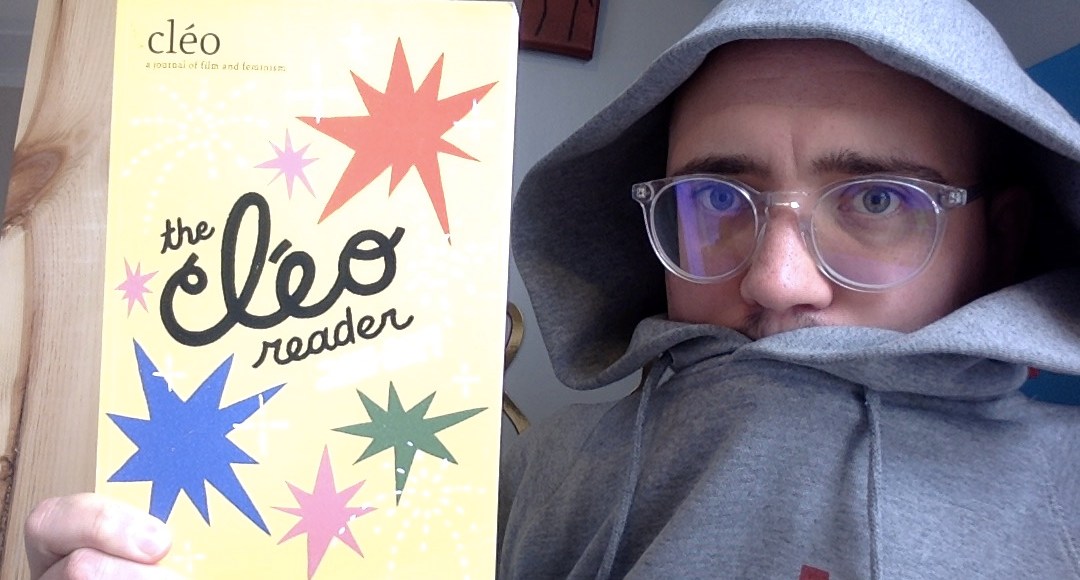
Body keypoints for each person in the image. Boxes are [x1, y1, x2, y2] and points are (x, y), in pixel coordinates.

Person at [22, 0, 1080, 579]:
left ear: (1001, 235)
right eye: (718, 199)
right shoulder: (519, 478)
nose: (775, 279)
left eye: (880, 201)